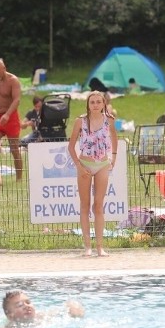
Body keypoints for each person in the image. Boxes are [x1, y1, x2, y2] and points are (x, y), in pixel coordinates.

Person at [67, 91, 118, 257]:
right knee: (85, 204)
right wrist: (79, 166)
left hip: (102, 163)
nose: (95, 105)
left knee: (98, 205)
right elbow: (71, 146)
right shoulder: (80, 121)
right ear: (88, 105)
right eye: (92, 102)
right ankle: (87, 246)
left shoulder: (109, 120)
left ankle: (100, 246)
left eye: (98, 102)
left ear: (103, 103)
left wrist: (114, 157)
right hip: (85, 163)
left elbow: (114, 138)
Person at [0, 59, 23, 181]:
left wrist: (7, 114)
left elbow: (17, 100)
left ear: (4, 68)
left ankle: (19, 178)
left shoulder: (13, 80)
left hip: (10, 116)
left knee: (14, 149)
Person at [2, 290, 85, 327]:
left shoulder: (42, 316)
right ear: (10, 316)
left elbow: (71, 312)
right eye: (20, 305)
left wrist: (73, 308)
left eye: (28, 302)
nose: (26, 306)